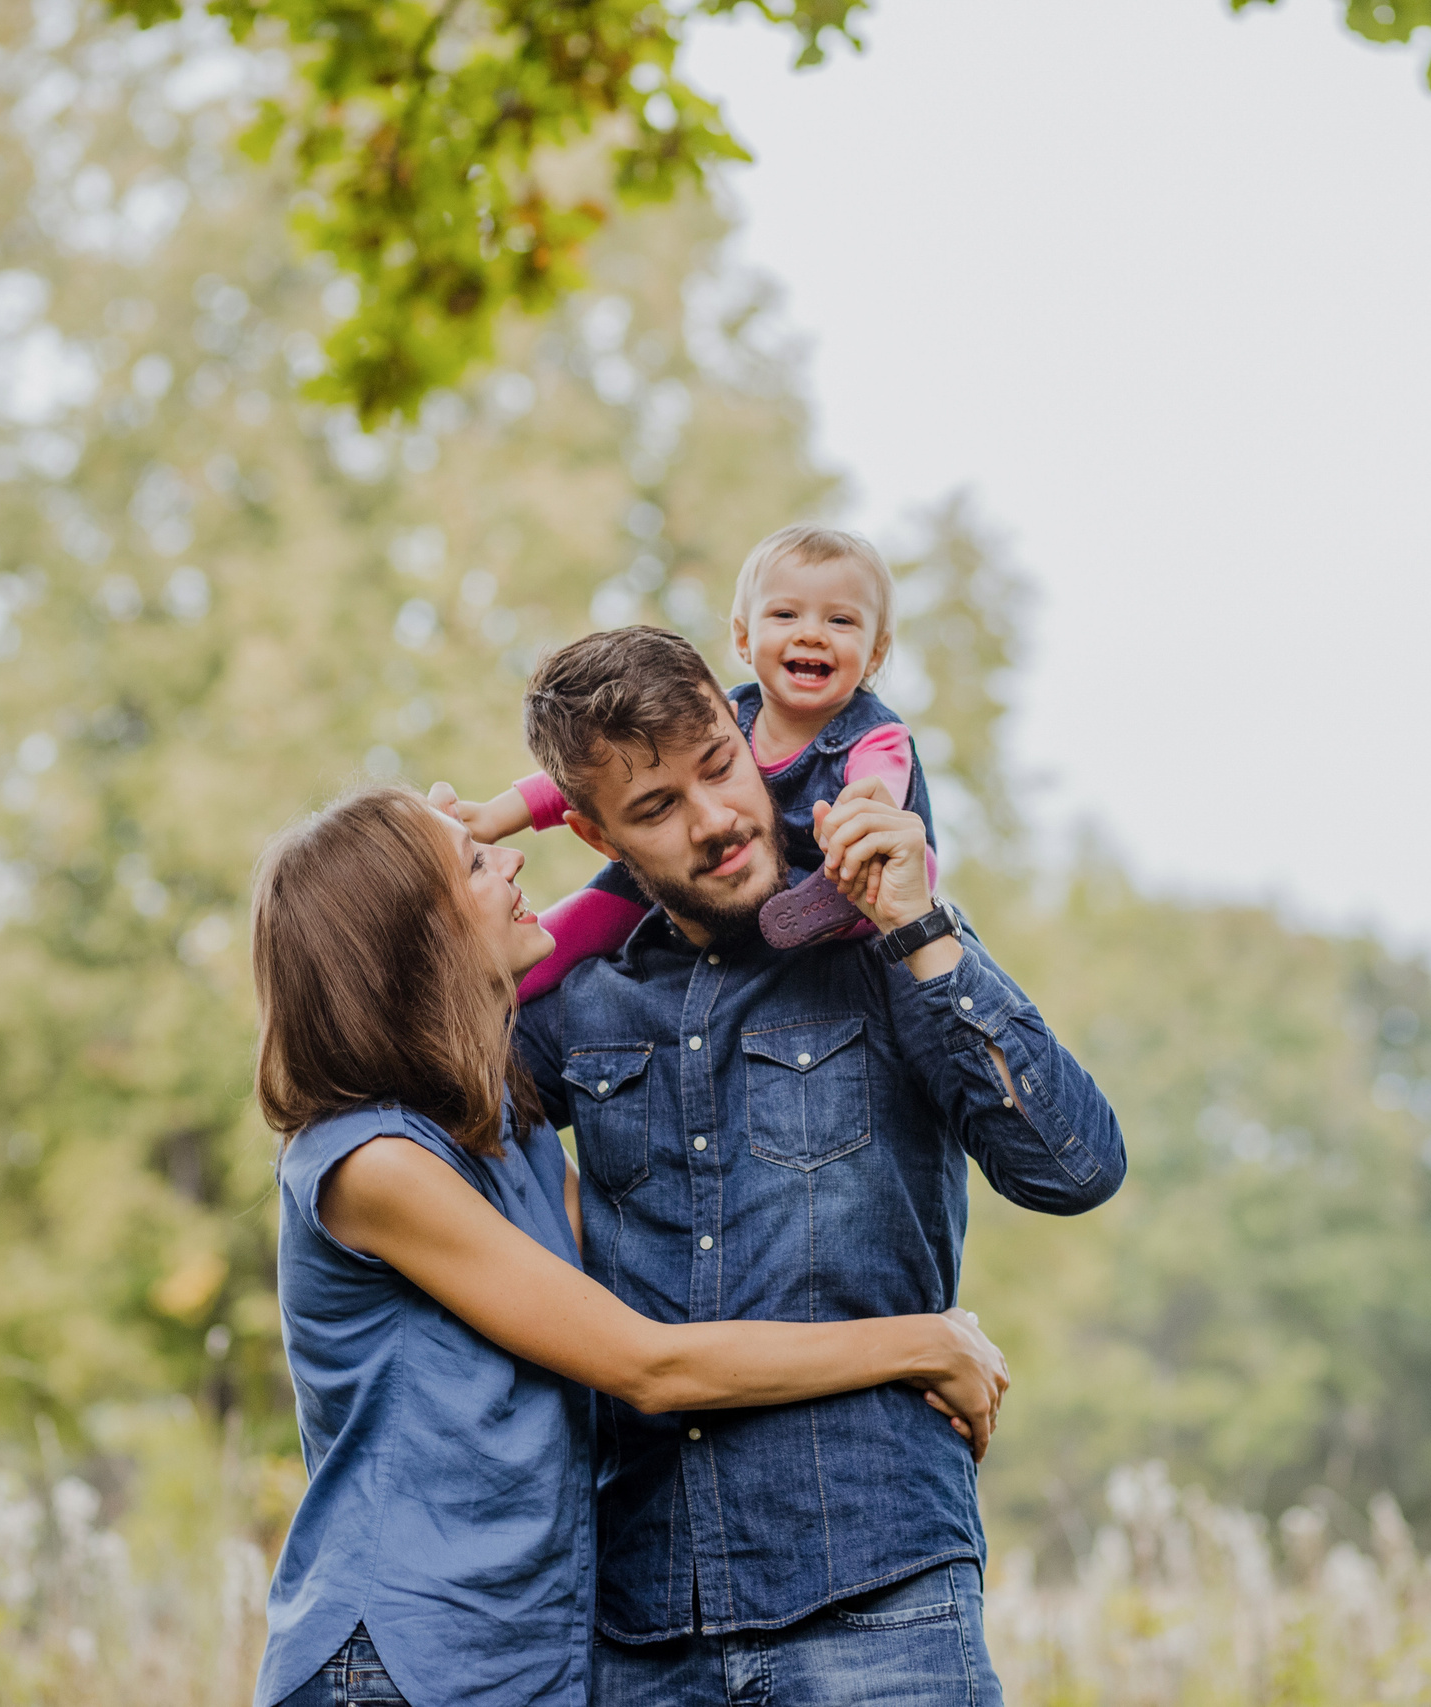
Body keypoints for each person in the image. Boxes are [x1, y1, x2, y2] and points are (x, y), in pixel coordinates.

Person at [464, 624, 1128, 1707]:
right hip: (642, 1626)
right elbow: (420, 1130)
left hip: (881, 1597)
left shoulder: (889, 951)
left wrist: (920, 923)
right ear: (591, 831)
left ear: (745, 731)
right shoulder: (575, 1006)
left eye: (719, 767)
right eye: (655, 808)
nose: (716, 821)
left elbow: (1073, 1168)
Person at [246, 784, 1011, 1707]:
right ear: (415, 936)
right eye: (477, 863)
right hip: (395, 1663)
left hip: (526, 1664)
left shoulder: (509, 1128)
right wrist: (924, 1341)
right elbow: (648, 1360)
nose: (514, 859)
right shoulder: (370, 1165)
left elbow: (657, 1287)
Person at [456, 525, 935, 1002]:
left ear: (875, 653)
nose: (811, 634)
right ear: (744, 638)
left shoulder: (876, 735)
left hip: (834, 868)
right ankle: (486, 987)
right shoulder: (721, 709)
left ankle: (837, 912)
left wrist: (860, 839)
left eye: (841, 622)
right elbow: (595, 771)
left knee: (900, 872)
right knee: (588, 913)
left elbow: (877, 797)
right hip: (701, 874)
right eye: (786, 614)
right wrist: (494, 817)